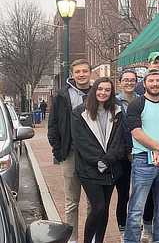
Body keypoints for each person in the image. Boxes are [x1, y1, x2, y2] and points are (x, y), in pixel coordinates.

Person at [124, 69, 159, 243]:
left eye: (158, 81)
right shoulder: (137, 104)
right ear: (144, 83)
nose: (155, 84)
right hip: (142, 160)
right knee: (137, 206)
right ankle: (132, 240)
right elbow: (136, 133)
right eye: (151, 81)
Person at [71, 77, 124, 243]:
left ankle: (99, 240)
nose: (103, 93)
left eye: (107, 90)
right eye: (100, 89)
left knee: (105, 209)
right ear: (94, 91)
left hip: (111, 169)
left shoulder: (117, 111)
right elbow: (82, 142)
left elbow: (118, 141)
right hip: (89, 169)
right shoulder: (79, 113)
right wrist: (99, 161)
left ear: (111, 92)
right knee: (98, 207)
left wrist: (108, 160)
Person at [48, 59, 93, 243]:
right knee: (71, 201)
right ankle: (72, 239)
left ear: (90, 73)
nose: (81, 74)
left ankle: (91, 238)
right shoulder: (62, 95)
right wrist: (58, 151)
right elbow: (54, 125)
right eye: (78, 72)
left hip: (92, 156)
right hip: (70, 154)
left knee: (93, 202)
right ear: (72, 74)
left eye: (85, 71)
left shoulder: (99, 92)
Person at [116, 69, 138, 241]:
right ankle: (123, 231)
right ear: (120, 82)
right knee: (123, 194)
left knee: (141, 193)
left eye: (132, 80)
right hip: (122, 157)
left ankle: (143, 227)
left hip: (141, 154)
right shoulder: (113, 102)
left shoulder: (142, 100)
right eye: (126, 80)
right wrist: (126, 150)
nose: (129, 83)